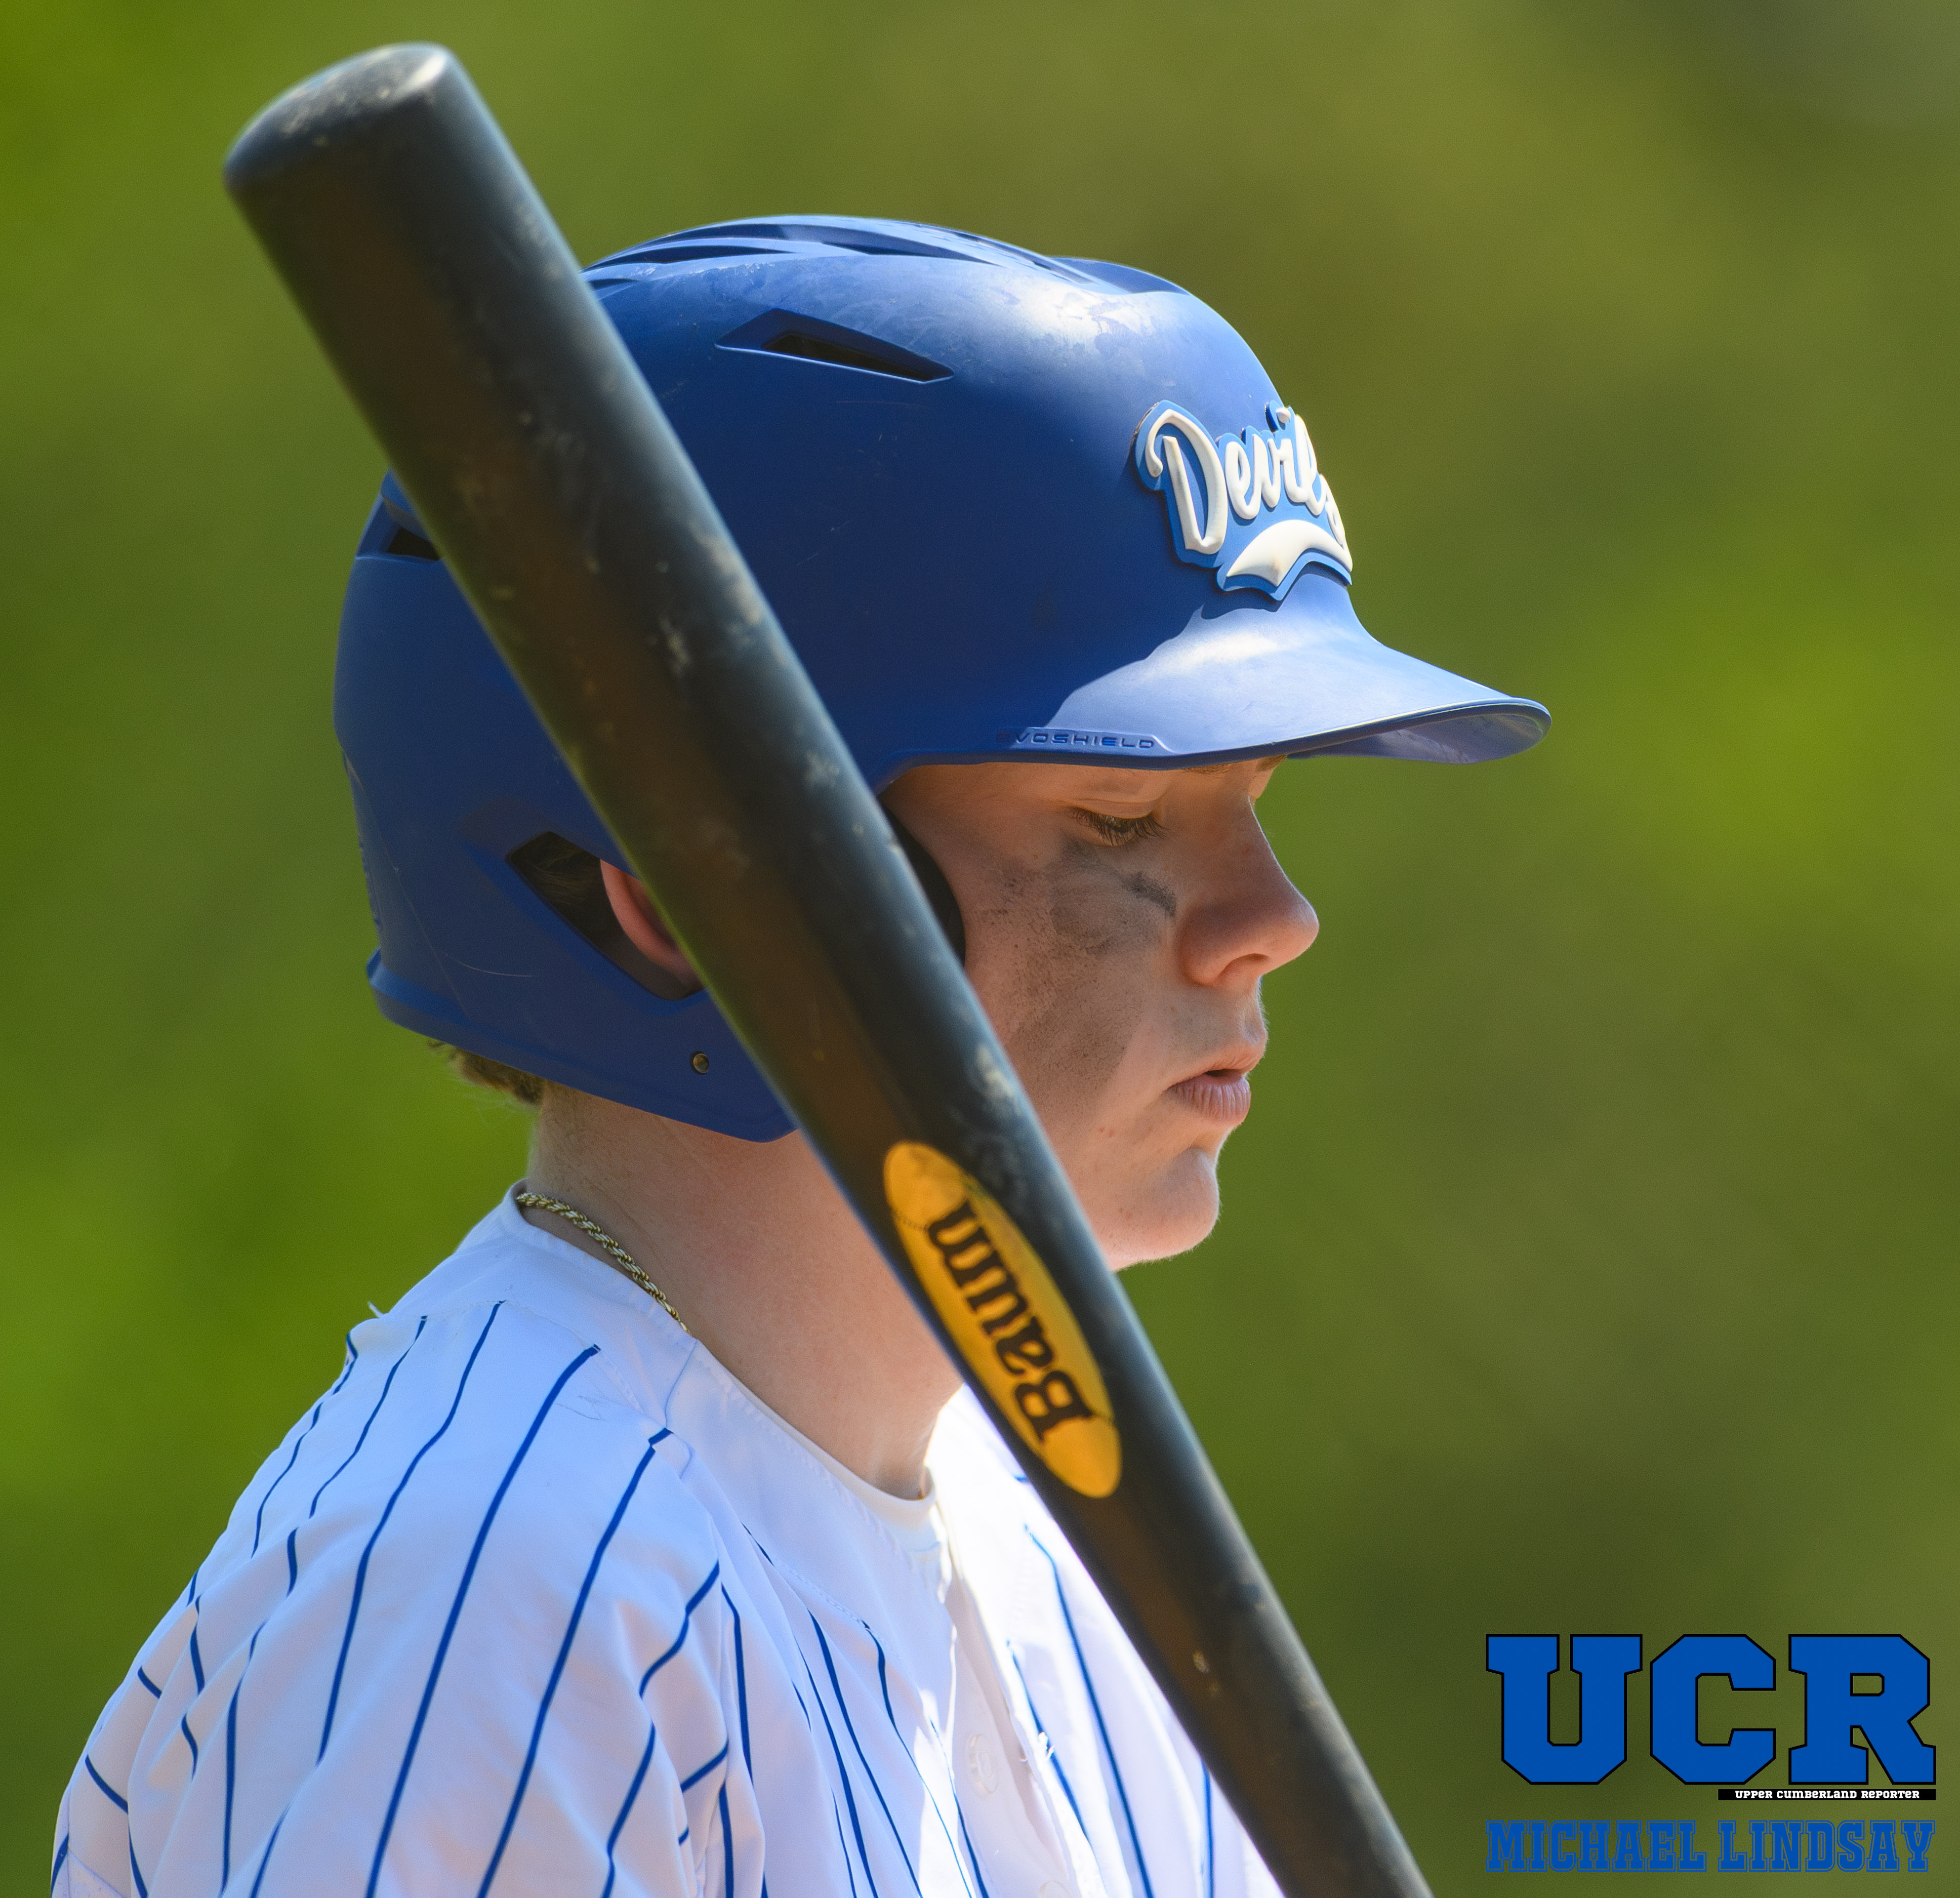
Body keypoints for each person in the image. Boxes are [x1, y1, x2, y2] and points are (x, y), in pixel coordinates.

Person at [54, 218, 1545, 1898]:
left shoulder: (1055, 1536)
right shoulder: (509, 1595)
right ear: (699, 897)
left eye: (1252, 808)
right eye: (1121, 815)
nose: (1275, 920)